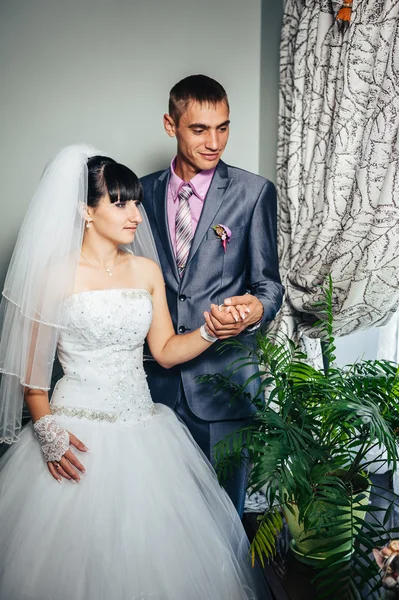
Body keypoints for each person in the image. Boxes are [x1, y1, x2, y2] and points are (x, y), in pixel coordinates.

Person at [0, 145, 272, 600]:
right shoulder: (52, 276)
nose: (136, 215)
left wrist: (210, 329)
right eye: (119, 202)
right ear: (85, 211)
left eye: (136, 203)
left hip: (144, 427)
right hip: (74, 434)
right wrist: (48, 432)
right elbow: (32, 375)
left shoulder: (146, 271)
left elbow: (165, 351)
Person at [141, 75, 284, 515]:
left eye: (223, 127)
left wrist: (254, 309)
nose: (214, 141)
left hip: (225, 391)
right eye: (199, 129)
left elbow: (269, 285)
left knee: (223, 523)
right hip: (152, 388)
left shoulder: (252, 192)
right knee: (156, 521)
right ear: (171, 124)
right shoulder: (139, 195)